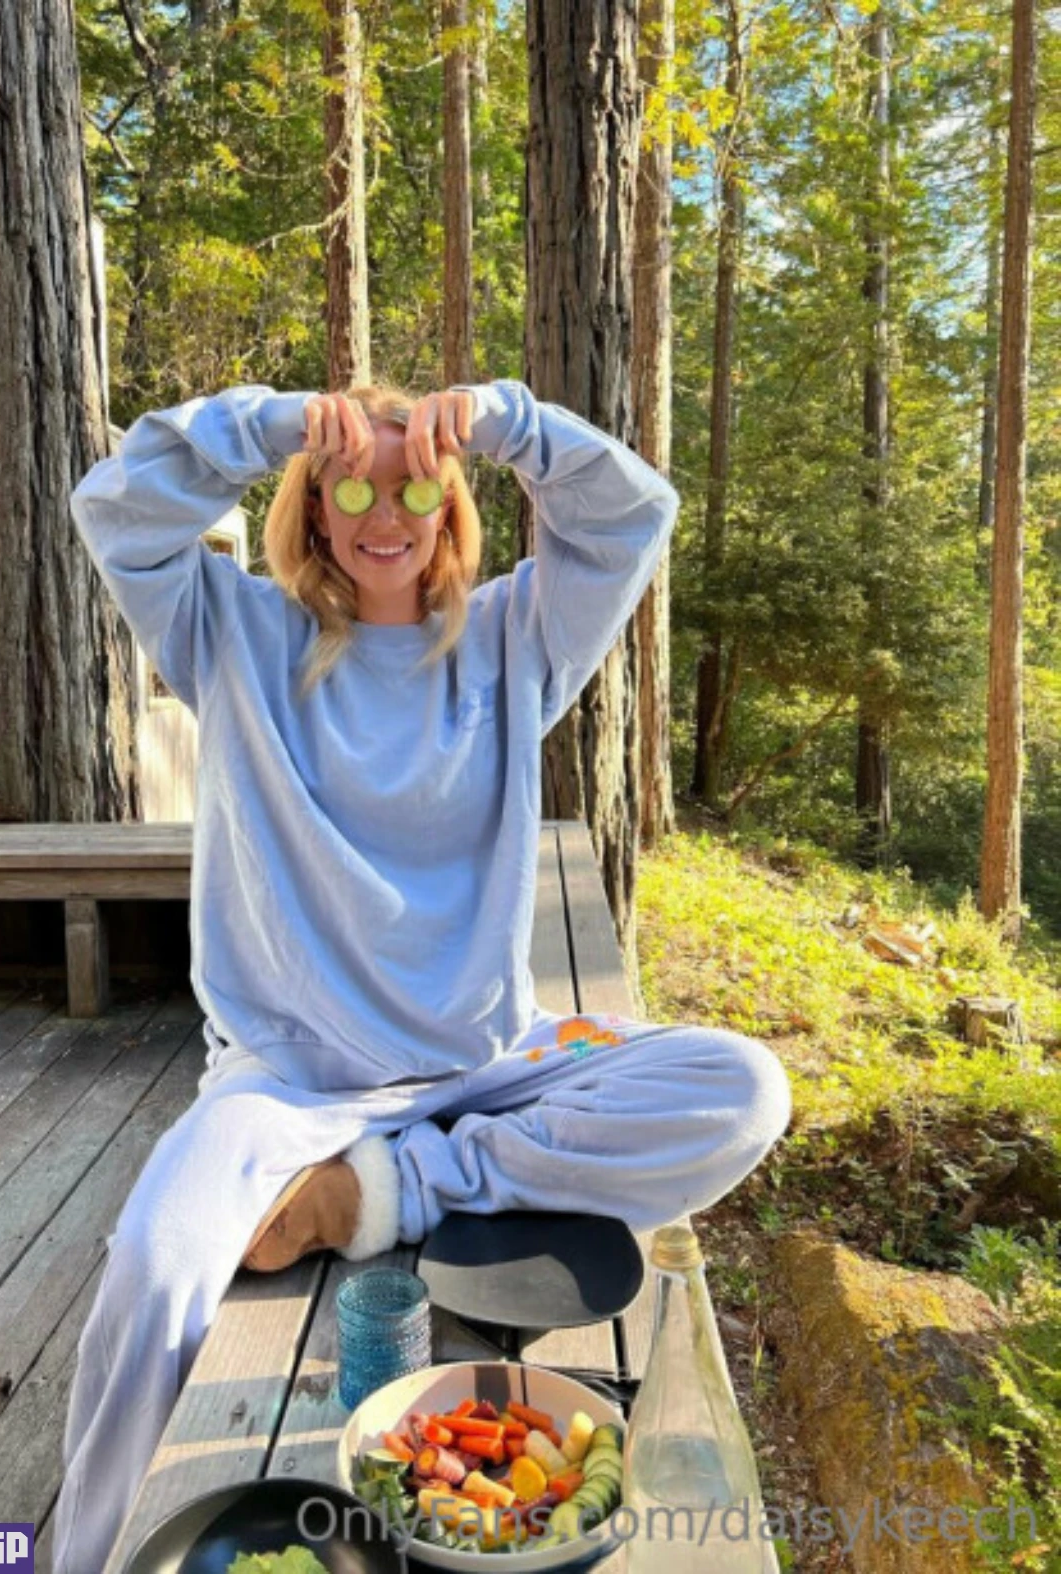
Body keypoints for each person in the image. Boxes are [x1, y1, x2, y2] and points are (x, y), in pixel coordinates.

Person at [53, 379, 792, 1573]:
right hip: (287, 1081)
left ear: (451, 502)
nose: (383, 514)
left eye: (414, 485)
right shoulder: (230, 634)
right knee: (151, 1262)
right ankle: (81, 1554)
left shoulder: (512, 639)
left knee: (743, 1089)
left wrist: (506, 421)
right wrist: (279, 422)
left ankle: (384, 1190)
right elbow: (115, 506)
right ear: (312, 504)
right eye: (351, 487)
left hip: (485, 1058)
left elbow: (631, 511)